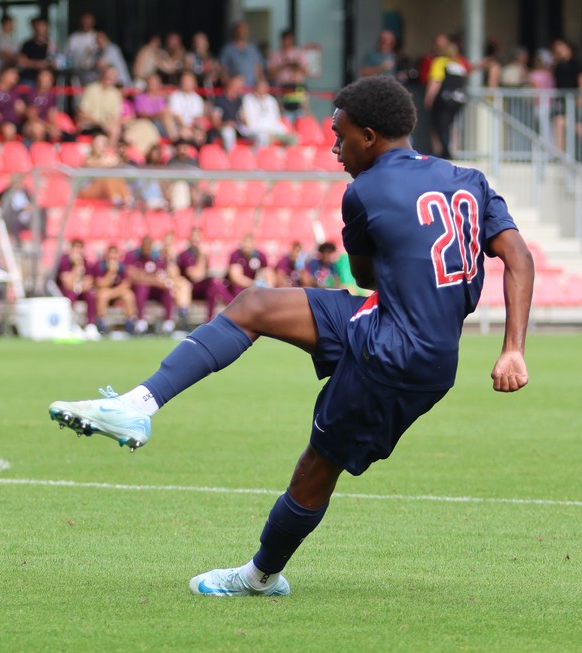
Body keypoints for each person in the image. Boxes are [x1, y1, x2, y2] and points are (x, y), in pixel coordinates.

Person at [48, 74, 534, 597]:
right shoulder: (469, 179)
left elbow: (367, 275)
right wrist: (513, 349)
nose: (334, 147)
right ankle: (139, 403)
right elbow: (518, 258)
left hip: (393, 355)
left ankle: (260, 577)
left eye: (341, 135)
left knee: (317, 467)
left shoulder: (364, 192)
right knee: (253, 304)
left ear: (369, 136)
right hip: (394, 328)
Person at [424, 42, 467, 159]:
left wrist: (429, 97)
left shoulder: (440, 62)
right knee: (452, 125)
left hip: (444, 98)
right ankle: (453, 150)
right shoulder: (460, 65)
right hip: (459, 99)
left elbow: (436, 81)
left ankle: (443, 151)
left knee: (440, 125)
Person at [55, 238, 98, 336]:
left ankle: (90, 325)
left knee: (90, 296)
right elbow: (68, 284)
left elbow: (88, 283)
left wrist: (78, 288)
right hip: (65, 291)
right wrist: (77, 266)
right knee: (71, 296)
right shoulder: (64, 261)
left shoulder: (86, 262)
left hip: (80, 289)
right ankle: (71, 324)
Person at [93, 243, 137, 336]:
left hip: (116, 291)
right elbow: (100, 284)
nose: (113, 256)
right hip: (105, 291)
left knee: (129, 295)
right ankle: (101, 323)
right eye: (111, 253)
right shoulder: (100, 265)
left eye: (115, 253)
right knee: (102, 295)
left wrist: (114, 292)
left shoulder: (122, 266)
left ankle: (130, 322)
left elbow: (126, 283)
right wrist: (111, 272)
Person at [241, 78, 295, 147]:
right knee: (264, 138)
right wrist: (266, 131)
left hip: (273, 130)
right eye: (261, 87)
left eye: (265, 87)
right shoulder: (248, 99)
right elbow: (251, 122)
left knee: (293, 138)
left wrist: (275, 131)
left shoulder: (271, 100)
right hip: (257, 131)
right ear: (255, 88)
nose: (263, 89)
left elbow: (276, 119)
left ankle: (283, 156)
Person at [219, 20, 264, 85]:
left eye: (244, 30)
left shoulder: (253, 49)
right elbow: (223, 70)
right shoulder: (228, 49)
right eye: (240, 30)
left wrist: (259, 83)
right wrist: (228, 83)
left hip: (251, 89)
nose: (242, 32)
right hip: (235, 89)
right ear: (235, 32)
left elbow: (258, 69)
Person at [17, 16, 55, 86]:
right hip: (29, 78)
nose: (41, 28)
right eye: (38, 25)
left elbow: (55, 60)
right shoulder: (27, 44)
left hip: (46, 78)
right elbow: (21, 61)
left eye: (43, 25)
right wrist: (37, 64)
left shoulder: (51, 44)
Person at [66, 12, 98, 86]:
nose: (86, 24)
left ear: (93, 23)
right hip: (77, 73)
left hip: (94, 74)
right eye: (84, 22)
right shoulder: (74, 38)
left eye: (88, 22)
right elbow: (68, 55)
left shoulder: (98, 37)